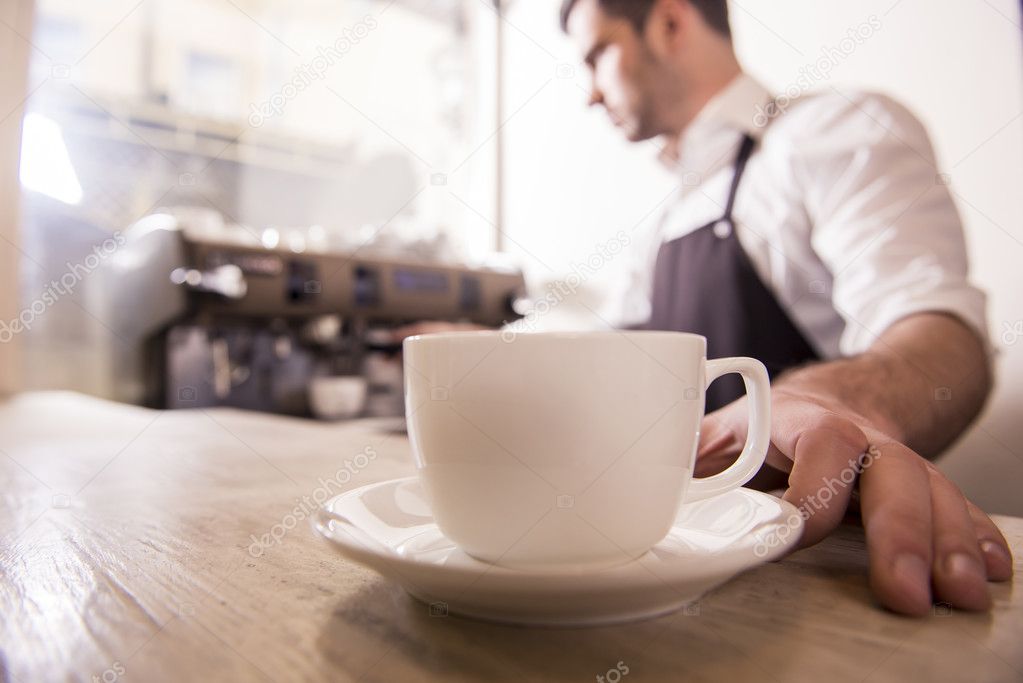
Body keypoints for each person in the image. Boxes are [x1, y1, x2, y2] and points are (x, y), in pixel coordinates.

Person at [394, 0, 1013, 615]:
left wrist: (838, 402)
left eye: (598, 54)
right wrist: (482, 349)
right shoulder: (662, 220)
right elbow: (614, 346)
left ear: (668, 23)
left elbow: (938, 331)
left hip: (811, 569)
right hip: (668, 554)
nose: (588, 94)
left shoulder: (834, 132)